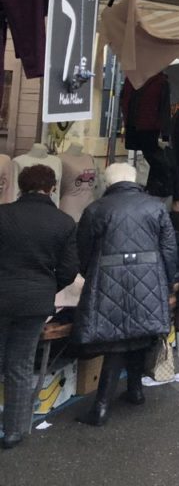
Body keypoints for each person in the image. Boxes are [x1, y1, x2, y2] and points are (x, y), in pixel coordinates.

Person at [74, 162, 177, 426]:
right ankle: (135, 390)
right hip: (149, 278)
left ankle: (101, 406)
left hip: (108, 280)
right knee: (139, 332)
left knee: (117, 339)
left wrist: (91, 273)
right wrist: (166, 282)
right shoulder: (156, 207)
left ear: (108, 183)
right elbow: (169, 250)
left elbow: (82, 251)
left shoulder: (96, 209)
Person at [0, 165, 77, 449]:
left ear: (21, 186)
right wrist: (47, 287)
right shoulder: (64, 222)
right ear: (53, 188)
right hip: (35, 302)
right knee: (19, 366)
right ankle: (14, 430)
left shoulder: (3, 215)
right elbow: (69, 269)